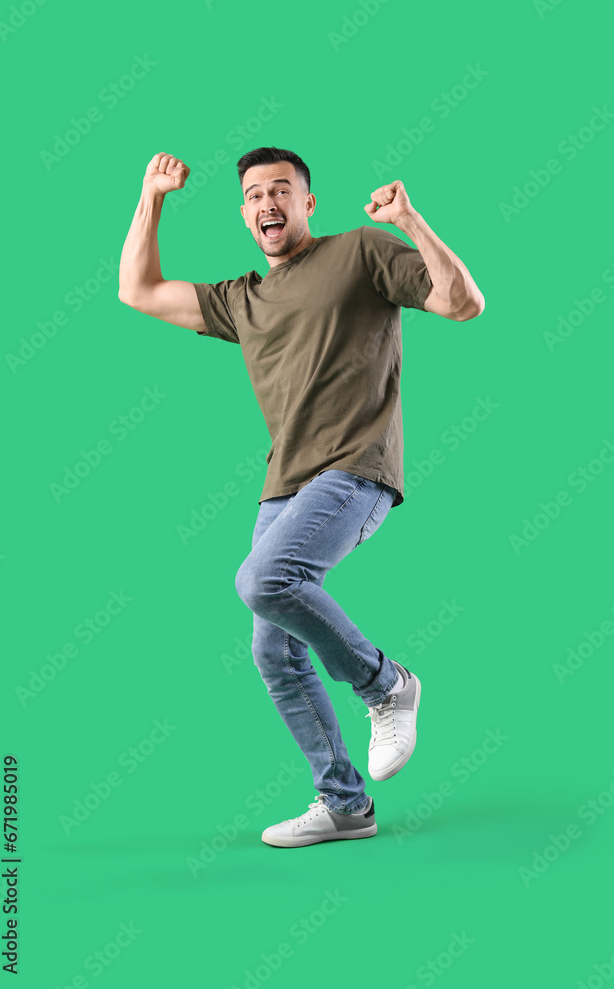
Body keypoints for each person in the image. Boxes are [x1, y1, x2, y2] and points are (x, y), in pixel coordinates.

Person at [118, 146, 485, 849]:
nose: (268, 204)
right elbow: (138, 289)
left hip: (357, 469)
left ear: (308, 203)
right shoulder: (242, 299)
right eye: (255, 195)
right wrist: (152, 196)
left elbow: (463, 303)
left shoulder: (359, 253)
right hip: (281, 488)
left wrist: (412, 221)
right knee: (273, 653)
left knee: (263, 579)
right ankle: (345, 805)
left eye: (281, 191)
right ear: (245, 214)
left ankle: (386, 685)